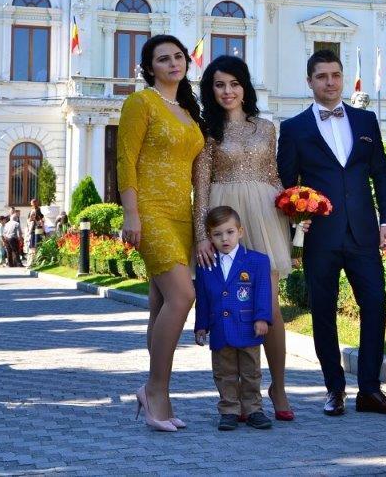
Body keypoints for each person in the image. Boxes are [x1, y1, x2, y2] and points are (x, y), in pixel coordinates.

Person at [277, 49, 386, 417]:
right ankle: (334, 389)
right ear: (310, 81)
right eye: (322, 76)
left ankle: (370, 390)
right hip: (320, 236)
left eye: (335, 75)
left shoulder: (366, 120)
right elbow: (286, 183)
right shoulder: (294, 128)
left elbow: (381, 174)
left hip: (364, 232)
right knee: (323, 311)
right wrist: (295, 220)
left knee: (375, 304)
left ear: (343, 78)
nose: (330, 82)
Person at [193, 55, 295, 421]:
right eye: (219, 85)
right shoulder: (207, 132)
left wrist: (294, 208)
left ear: (244, 87)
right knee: (230, 303)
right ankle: (234, 398)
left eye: (234, 83)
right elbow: (201, 186)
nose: (228, 91)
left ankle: (278, 387)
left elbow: (272, 174)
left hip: (265, 216)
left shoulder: (266, 127)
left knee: (269, 305)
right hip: (224, 215)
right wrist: (201, 235)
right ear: (211, 90)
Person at [117, 34, 205, 432]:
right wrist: (131, 213)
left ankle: (158, 396)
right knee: (182, 296)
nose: (173, 63)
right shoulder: (141, 103)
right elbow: (126, 159)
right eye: (163, 59)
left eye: (178, 57)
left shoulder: (188, 110)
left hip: (182, 214)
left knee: (160, 305)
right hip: (150, 213)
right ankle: (154, 390)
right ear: (149, 68)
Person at [193, 206, 273, 431]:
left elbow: (263, 292)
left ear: (240, 232)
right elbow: (203, 298)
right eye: (217, 234)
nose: (224, 239)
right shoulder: (205, 265)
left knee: (251, 372)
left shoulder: (257, 261)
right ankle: (229, 411)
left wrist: (262, 318)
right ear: (210, 237)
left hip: (248, 328)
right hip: (220, 328)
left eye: (229, 232)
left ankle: (253, 409)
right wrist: (201, 326)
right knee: (224, 373)